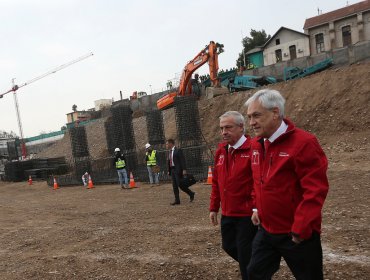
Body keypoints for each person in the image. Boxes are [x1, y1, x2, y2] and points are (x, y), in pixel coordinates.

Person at [244, 89, 329, 279]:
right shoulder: (257, 144)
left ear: (275, 113)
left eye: (256, 115)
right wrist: (257, 208)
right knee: (254, 274)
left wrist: (301, 227)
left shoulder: (304, 143)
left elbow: (315, 190)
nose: (251, 123)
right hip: (266, 230)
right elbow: (258, 181)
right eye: (249, 117)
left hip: (296, 234)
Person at [209, 111, 257, 280]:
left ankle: (252, 271)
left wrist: (256, 207)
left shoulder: (253, 149)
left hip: (246, 215)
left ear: (241, 127)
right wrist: (214, 207)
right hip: (227, 213)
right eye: (222, 128)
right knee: (228, 246)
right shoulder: (221, 150)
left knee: (245, 256)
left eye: (228, 127)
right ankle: (256, 267)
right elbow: (216, 181)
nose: (224, 132)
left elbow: (257, 182)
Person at [166, 139, 195, 205]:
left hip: (178, 170)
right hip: (172, 170)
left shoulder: (178, 150)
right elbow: (169, 162)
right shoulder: (169, 152)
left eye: (167, 144)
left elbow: (182, 160)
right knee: (174, 186)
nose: (166, 145)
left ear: (171, 143)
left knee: (180, 184)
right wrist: (169, 170)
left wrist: (184, 170)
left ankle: (191, 193)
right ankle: (177, 200)